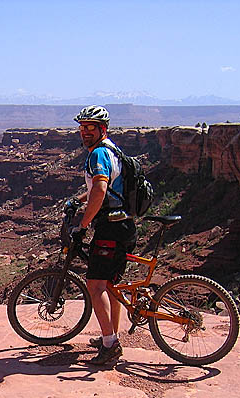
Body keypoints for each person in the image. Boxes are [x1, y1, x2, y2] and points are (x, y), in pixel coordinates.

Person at [72, 105, 137, 366]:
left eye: (90, 128)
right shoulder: (113, 150)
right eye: (82, 128)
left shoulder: (98, 153)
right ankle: (112, 335)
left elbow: (100, 188)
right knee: (111, 284)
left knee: (95, 285)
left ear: (102, 129)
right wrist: (78, 199)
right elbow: (106, 187)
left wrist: (84, 224)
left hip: (110, 228)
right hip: (125, 226)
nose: (85, 132)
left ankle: (110, 345)